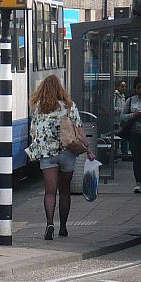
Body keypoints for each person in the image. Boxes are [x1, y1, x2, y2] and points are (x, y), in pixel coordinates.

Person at [28, 74, 94, 240]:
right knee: (64, 191)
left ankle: (49, 222)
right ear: (60, 89)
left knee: (49, 192)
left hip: (47, 154)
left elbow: (33, 132)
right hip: (67, 153)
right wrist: (88, 149)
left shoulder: (39, 108)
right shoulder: (70, 106)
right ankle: (63, 227)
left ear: (43, 89)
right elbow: (79, 129)